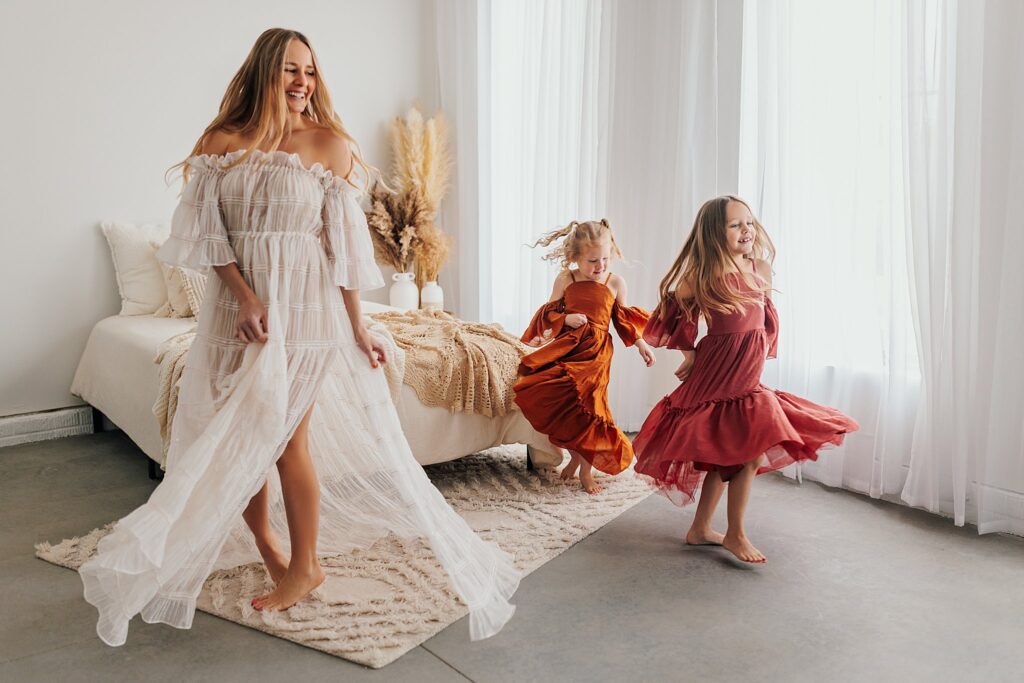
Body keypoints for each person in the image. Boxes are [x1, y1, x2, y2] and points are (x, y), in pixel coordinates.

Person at [79, 28, 518, 646]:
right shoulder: (220, 144)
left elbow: (342, 251)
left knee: (286, 439)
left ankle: (306, 565)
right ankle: (268, 544)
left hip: (306, 315)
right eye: (290, 70)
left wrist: (359, 325)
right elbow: (211, 241)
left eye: (309, 72)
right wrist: (243, 297)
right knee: (242, 434)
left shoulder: (330, 146)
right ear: (264, 71)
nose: (301, 83)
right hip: (239, 315)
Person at [633, 196, 859, 563]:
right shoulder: (704, 275)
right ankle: (735, 534)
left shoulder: (760, 269)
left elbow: (764, 321)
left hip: (746, 373)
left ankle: (701, 529)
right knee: (748, 455)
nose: (747, 231)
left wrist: (757, 352)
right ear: (714, 233)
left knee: (731, 456)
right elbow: (672, 310)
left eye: (749, 223)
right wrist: (689, 354)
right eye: (735, 225)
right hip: (719, 374)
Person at [513, 219, 653, 494]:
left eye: (605, 259)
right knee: (560, 400)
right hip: (569, 348)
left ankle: (586, 470)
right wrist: (566, 317)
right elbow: (548, 314)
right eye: (592, 261)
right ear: (575, 257)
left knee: (592, 410)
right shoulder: (567, 278)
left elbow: (623, 320)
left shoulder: (615, 282)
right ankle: (575, 458)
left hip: (597, 354)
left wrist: (640, 344)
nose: (600, 267)